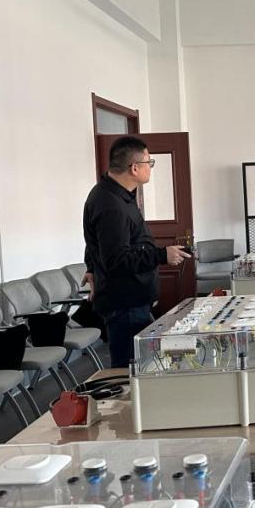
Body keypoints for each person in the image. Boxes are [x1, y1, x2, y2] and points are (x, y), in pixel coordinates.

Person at [83, 136, 190, 368]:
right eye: (149, 162)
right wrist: (162, 255)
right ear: (134, 168)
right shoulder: (111, 204)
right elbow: (117, 259)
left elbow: (95, 242)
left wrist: (91, 267)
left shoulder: (116, 195)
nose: (150, 167)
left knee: (143, 364)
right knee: (130, 370)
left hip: (132, 300)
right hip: (125, 303)